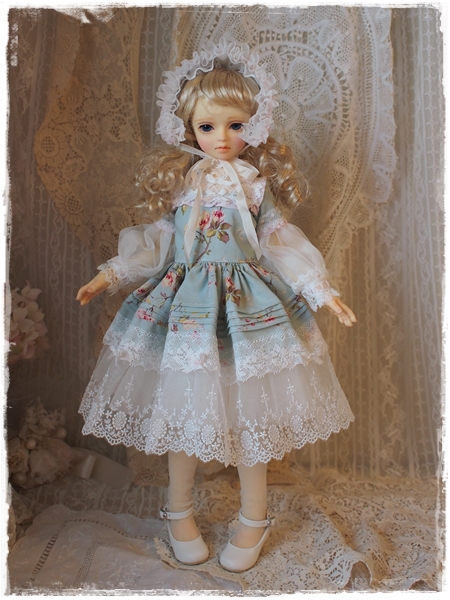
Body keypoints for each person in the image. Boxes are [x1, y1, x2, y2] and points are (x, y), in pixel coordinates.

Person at [76, 40, 356, 573]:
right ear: (188, 129)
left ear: (256, 125)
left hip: (248, 308)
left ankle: (254, 517)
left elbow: (279, 242)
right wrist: (109, 275)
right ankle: (178, 511)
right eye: (208, 126)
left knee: (252, 416)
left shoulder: (256, 187)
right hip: (187, 309)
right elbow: (159, 243)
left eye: (235, 125)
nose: (222, 138)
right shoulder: (183, 184)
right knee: (186, 410)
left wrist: (323, 291)